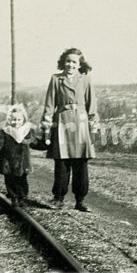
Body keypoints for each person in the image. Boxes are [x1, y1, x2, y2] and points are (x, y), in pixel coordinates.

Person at [40, 48, 98, 212]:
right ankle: (58, 198)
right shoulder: (56, 79)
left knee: (81, 164)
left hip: (81, 124)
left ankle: (80, 200)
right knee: (62, 163)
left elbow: (91, 105)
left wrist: (93, 127)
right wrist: (46, 128)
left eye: (74, 62)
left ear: (80, 64)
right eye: (68, 61)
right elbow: (50, 105)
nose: (70, 65)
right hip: (62, 124)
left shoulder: (86, 80)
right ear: (62, 62)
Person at [0, 104, 44, 208]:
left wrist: (46, 142)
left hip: (23, 163)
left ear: (23, 119)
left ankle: (22, 198)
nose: (16, 122)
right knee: (10, 181)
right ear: (9, 120)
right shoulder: (4, 131)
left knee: (22, 181)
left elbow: (35, 143)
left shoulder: (27, 131)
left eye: (19, 119)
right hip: (8, 162)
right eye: (13, 119)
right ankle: (14, 198)